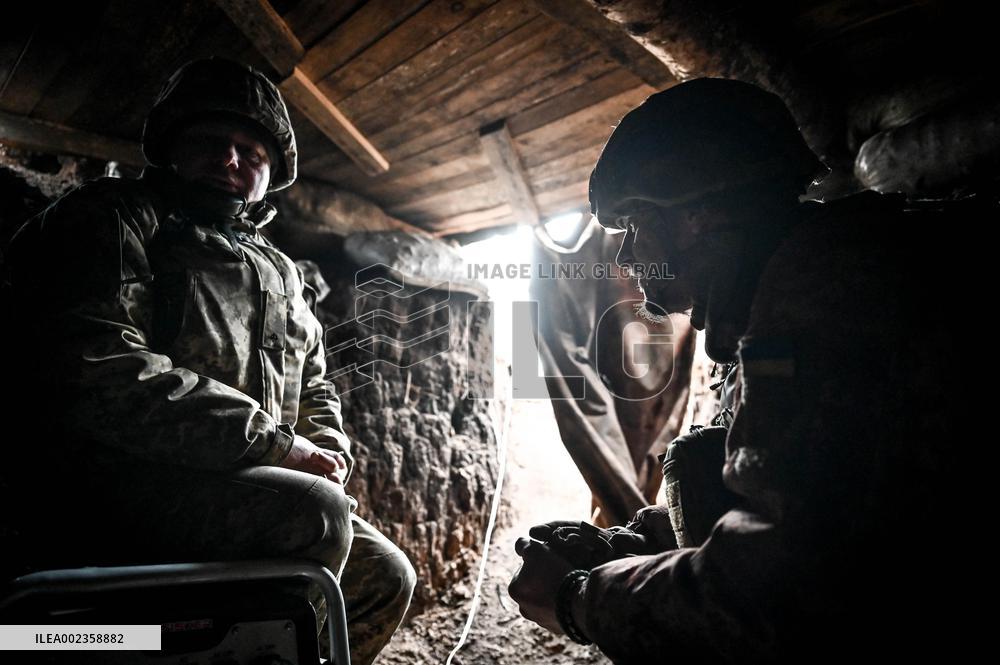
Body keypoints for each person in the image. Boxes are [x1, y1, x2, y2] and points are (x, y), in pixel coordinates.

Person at [508, 78, 963, 663]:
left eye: (635, 225)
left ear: (700, 216)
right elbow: (756, 484)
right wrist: (623, 543)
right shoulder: (777, 296)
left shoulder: (835, 300)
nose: (624, 257)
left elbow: (778, 593)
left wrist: (577, 600)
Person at [4, 58, 415, 665]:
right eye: (210, 142)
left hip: (238, 480)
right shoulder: (113, 217)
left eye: (251, 152)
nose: (230, 160)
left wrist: (328, 454)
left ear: (270, 174)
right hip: (115, 479)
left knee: (386, 575)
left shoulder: (278, 269)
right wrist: (278, 449)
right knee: (316, 518)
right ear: (172, 145)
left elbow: (315, 382)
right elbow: (100, 367)